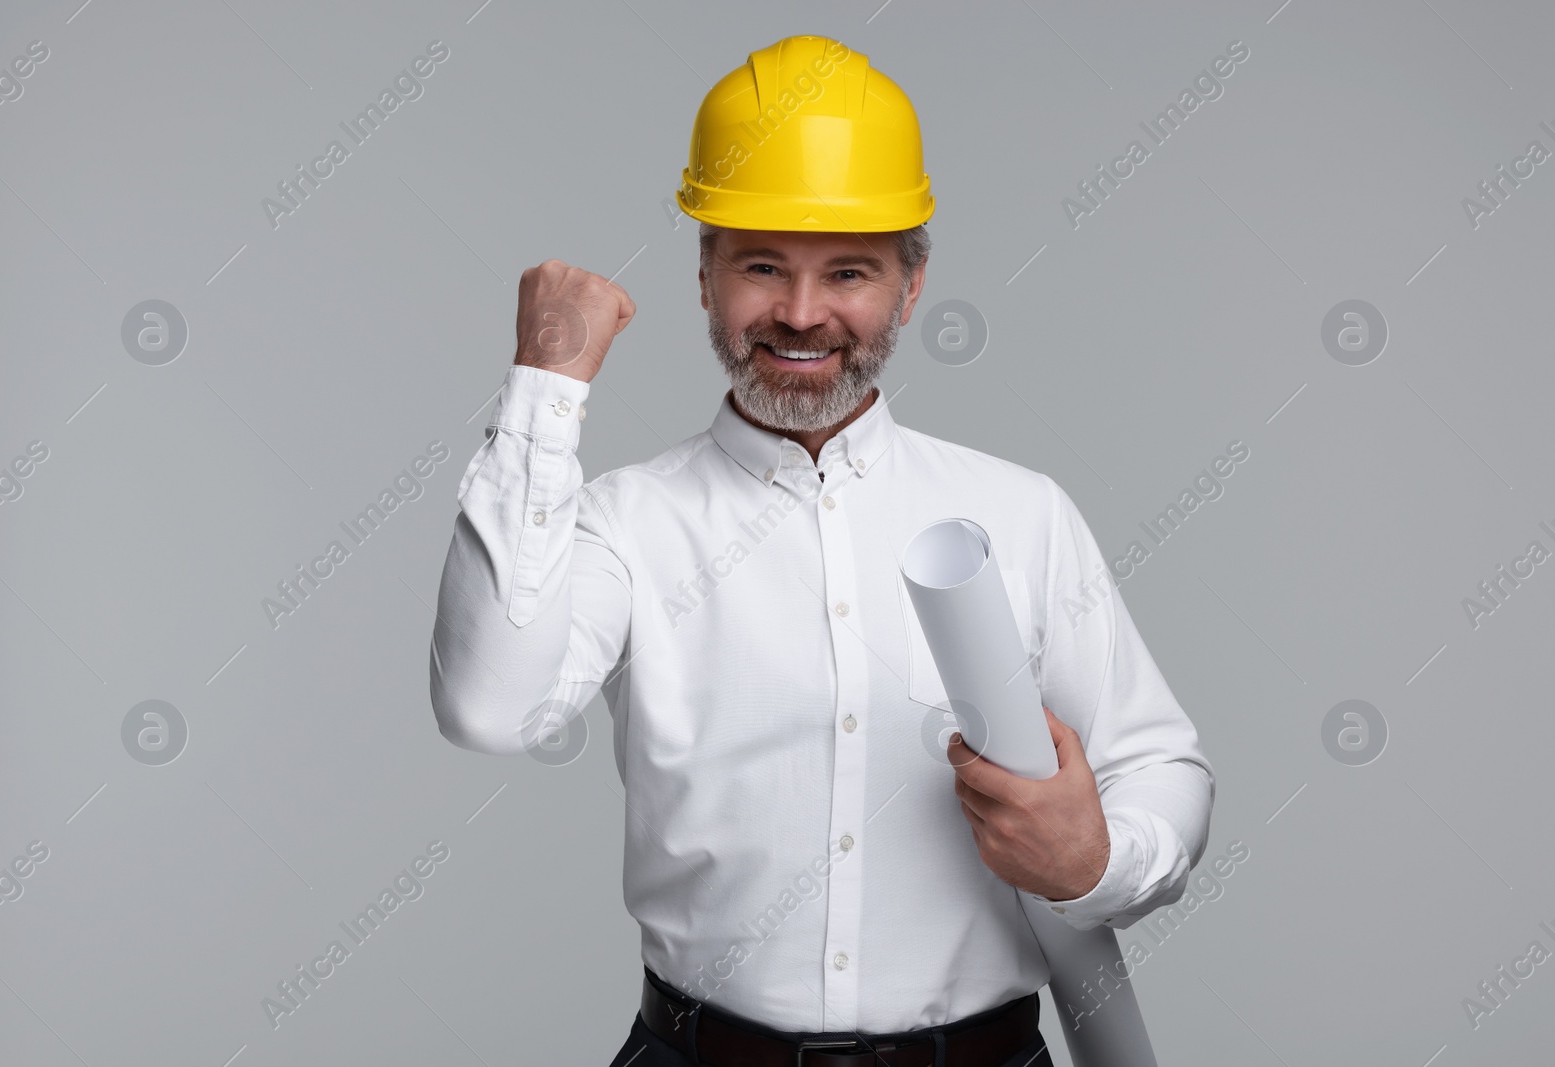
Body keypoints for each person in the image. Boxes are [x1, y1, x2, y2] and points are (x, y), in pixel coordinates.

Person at [428, 34, 1214, 1067]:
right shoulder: (625, 522)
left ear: (910, 284)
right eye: (762, 266)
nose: (801, 314)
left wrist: (1096, 858)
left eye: (847, 270)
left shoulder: (1019, 515)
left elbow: (1157, 761)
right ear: (705, 275)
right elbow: (490, 706)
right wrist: (544, 386)